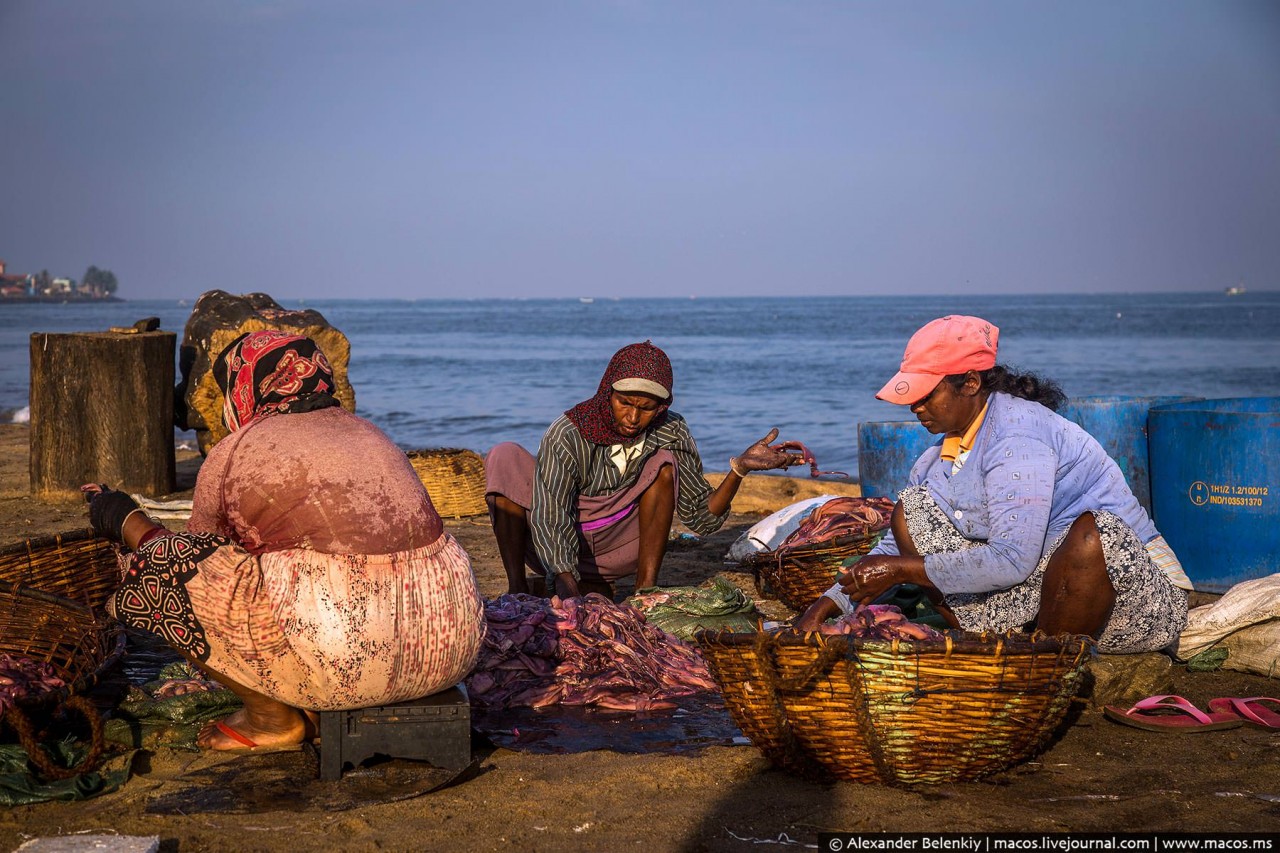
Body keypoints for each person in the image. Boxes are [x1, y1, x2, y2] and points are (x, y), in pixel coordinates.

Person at [83, 330, 485, 751]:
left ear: (246, 386)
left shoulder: (234, 450)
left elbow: (199, 554)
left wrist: (126, 519)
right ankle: (305, 691)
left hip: (348, 659)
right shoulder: (372, 433)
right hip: (449, 650)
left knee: (162, 564)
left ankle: (271, 718)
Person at [795, 315, 1191, 653]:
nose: (915, 407)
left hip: (1129, 595)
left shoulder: (1017, 438)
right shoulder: (939, 455)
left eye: (925, 395)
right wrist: (826, 606)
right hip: (1045, 584)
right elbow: (891, 549)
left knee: (1094, 535)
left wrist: (899, 571)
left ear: (969, 383)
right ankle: (1012, 640)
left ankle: (1043, 664)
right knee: (910, 510)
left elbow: (1012, 559)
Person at [486, 340, 803, 598]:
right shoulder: (569, 431)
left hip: (622, 546)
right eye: (624, 403)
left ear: (661, 407)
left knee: (663, 464)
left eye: (646, 408)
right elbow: (551, 516)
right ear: (607, 393)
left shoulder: (672, 430)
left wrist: (740, 468)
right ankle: (517, 588)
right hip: (555, 550)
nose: (633, 417)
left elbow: (702, 519)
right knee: (504, 456)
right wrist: (569, 591)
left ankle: (645, 592)